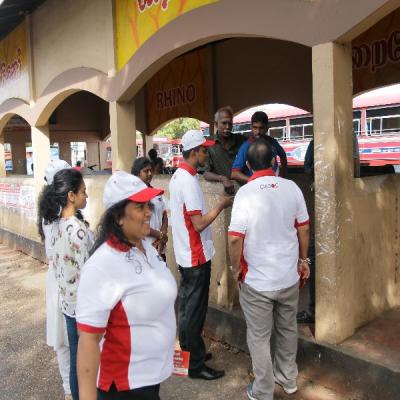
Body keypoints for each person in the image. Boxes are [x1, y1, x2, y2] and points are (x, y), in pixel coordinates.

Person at [76, 171, 177, 400]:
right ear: (119, 217)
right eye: (140, 207)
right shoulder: (102, 266)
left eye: (149, 205)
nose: (149, 213)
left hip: (150, 380)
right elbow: (88, 341)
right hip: (124, 386)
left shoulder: (145, 248)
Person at [228, 138, 310, 400]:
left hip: (257, 283)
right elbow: (304, 228)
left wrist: (234, 268)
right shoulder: (292, 188)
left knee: (259, 337)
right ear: (275, 161)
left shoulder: (245, 194)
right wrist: (303, 261)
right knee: (287, 328)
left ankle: (263, 391)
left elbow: (234, 238)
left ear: (249, 165)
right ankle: (288, 380)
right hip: (288, 277)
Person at [169, 130, 233, 380]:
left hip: (187, 254)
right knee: (193, 311)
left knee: (186, 308)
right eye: (204, 150)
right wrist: (221, 204)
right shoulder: (188, 181)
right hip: (195, 256)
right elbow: (198, 223)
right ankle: (194, 366)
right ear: (194, 152)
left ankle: (189, 353)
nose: (207, 154)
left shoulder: (179, 176)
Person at [38, 168, 92, 400]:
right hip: (84, 310)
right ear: (71, 195)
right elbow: (90, 271)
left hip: (69, 306)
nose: (86, 196)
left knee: (74, 362)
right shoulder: (77, 230)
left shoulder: (56, 225)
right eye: (83, 192)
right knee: (88, 365)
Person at [40, 159, 72, 400]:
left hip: (63, 281)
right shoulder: (54, 219)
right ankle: (71, 390)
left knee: (69, 339)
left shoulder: (59, 215)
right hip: (62, 283)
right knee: (64, 340)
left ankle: (73, 387)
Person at [231, 111, 288, 185]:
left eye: (261, 128)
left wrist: (282, 176)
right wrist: (253, 181)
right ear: (251, 127)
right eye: (255, 128)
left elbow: (283, 156)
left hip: (274, 186)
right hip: (255, 189)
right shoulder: (246, 146)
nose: (258, 132)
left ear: (267, 128)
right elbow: (234, 173)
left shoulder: (273, 142)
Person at [203, 106, 246, 194]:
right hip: (223, 193)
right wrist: (222, 179)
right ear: (216, 124)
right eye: (224, 123)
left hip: (244, 190)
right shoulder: (208, 144)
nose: (227, 127)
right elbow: (205, 173)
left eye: (230, 123)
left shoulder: (242, 140)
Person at [132, 157, 168, 258]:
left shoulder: (157, 194)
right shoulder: (134, 195)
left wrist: (162, 236)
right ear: (137, 173)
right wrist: (160, 235)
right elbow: (139, 225)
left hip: (159, 248)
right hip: (144, 249)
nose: (149, 174)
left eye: (151, 170)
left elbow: (164, 215)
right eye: (145, 171)